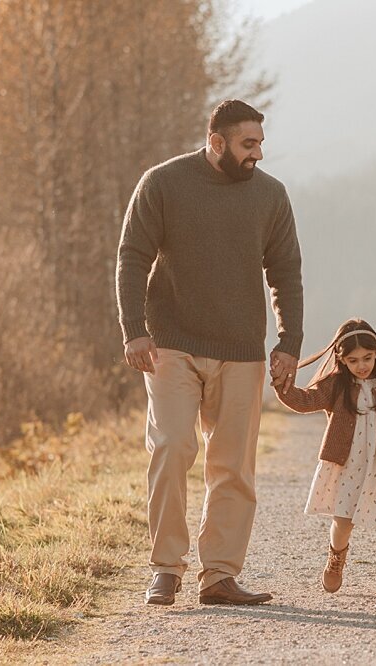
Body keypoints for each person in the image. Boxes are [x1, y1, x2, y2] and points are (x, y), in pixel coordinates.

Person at [115, 99, 303, 606]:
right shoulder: (163, 183)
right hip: (171, 342)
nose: (258, 154)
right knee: (172, 445)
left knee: (233, 466)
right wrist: (134, 329)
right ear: (216, 142)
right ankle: (166, 568)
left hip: (242, 349)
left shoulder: (271, 196)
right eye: (248, 144)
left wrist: (290, 343)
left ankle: (219, 575)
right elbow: (132, 256)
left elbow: (284, 272)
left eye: (261, 143)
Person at [274, 319, 376, 599]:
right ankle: (336, 559)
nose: (362, 365)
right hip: (347, 464)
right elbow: (305, 401)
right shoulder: (336, 385)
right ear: (341, 359)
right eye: (353, 360)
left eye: (367, 358)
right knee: (343, 520)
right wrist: (283, 386)